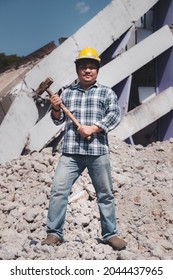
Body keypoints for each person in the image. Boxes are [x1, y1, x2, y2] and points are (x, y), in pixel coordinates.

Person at [41, 47, 127, 251]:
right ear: (77, 70)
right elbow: (58, 120)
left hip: (98, 152)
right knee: (58, 191)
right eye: (83, 67)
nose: (87, 70)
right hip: (71, 152)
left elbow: (115, 115)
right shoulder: (66, 93)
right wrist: (54, 107)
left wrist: (94, 128)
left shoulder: (106, 92)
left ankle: (110, 234)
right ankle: (54, 234)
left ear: (97, 69)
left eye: (91, 67)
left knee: (105, 194)